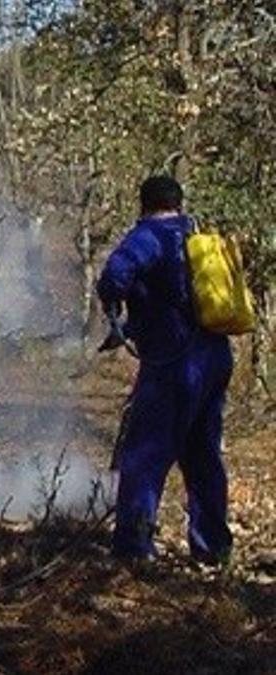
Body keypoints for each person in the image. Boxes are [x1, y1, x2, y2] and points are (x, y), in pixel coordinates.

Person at [96, 175, 233, 564]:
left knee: (145, 452)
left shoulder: (150, 235)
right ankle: (213, 549)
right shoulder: (195, 236)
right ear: (178, 201)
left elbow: (115, 274)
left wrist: (113, 306)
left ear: (143, 204)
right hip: (215, 357)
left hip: (175, 363)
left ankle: (133, 550)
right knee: (203, 453)